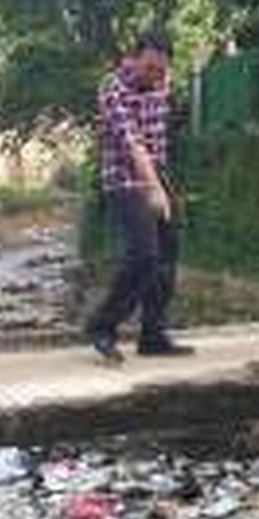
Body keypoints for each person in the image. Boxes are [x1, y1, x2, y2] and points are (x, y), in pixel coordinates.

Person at [88, 36, 194, 362]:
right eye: (150, 68)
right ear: (130, 59)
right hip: (124, 179)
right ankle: (102, 326)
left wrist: (162, 185)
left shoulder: (162, 81)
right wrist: (155, 189)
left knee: (167, 256)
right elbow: (132, 143)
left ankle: (152, 335)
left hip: (156, 174)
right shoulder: (113, 87)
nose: (156, 76)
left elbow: (159, 136)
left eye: (162, 69)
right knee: (144, 254)